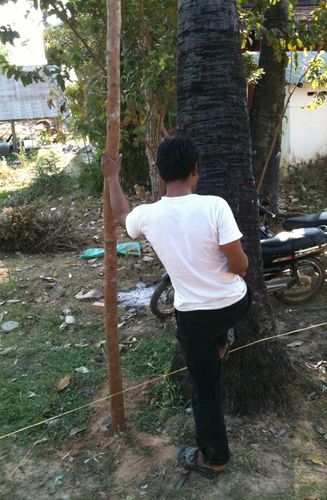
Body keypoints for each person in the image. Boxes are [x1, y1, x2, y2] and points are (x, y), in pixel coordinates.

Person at [101, 136, 251, 479]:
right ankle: (224, 338)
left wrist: (112, 177)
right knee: (240, 302)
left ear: (160, 173)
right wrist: (220, 273)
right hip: (234, 304)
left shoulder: (149, 216)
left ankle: (213, 458)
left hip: (194, 319)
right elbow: (241, 265)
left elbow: (122, 214)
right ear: (195, 172)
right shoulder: (215, 206)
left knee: (206, 389)